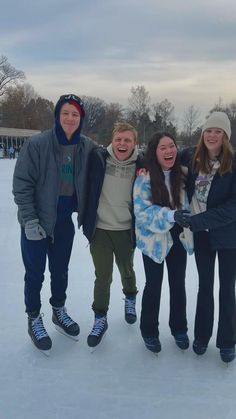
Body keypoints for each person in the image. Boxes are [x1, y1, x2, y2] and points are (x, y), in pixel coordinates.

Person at [13, 94, 96, 353]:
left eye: (75, 114)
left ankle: (58, 310)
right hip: (36, 222)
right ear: (57, 116)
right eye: (66, 113)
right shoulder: (37, 144)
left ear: (81, 119)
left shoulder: (87, 146)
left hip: (63, 223)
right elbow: (22, 184)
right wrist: (29, 219)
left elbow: (113, 159)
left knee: (60, 271)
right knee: (35, 273)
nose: (70, 118)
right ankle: (34, 317)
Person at [180, 111, 236, 363]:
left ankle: (227, 341)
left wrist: (197, 221)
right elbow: (162, 155)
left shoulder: (233, 164)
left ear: (225, 136)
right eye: (209, 131)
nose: (212, 135)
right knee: (204, 287)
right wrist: (142, 169)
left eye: (218, 131)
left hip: (228, 237)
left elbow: (232, 208)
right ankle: (201, 336)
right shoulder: (193, 159)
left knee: (226, 290)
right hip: (201, 237)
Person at [83, 122, 142, 349]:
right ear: (112, 140)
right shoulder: (98, 159)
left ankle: (130, 297)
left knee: (127, 269)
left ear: (134, 143)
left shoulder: (142, 164)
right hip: (100, 229)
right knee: (103, 276)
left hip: (126, 230)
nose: (122, 144)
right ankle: (100, 318)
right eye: (118, 139)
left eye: (127, 140)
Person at [133, 132, 193, 354]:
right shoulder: (144, 177)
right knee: (153, 285)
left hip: (178, 236)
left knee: (178, 284)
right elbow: (142, 212)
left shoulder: (184, 174)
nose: (169, 151)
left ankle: (179, 328)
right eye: (163, 148)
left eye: (172, 146)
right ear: (154, 152)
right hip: (153, 239)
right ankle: (149, 331)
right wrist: (170, 216)